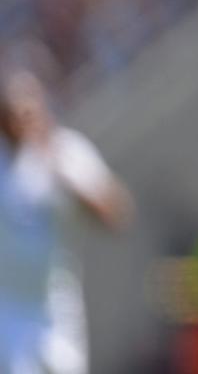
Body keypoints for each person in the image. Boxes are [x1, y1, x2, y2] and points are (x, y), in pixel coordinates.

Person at [0, 68, 134, 374]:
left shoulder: (67, 151)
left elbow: (116, 214)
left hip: (57, 305)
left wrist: (66, 179)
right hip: (9, 308)